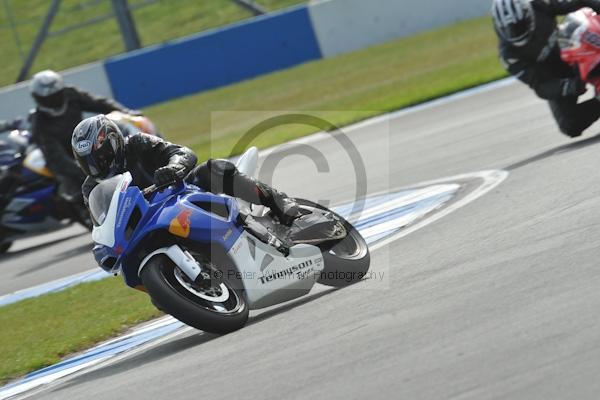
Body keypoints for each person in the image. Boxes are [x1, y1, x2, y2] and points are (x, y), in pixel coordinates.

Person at [71, 115, 300, 227]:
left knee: (214, 169)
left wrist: (172, 169)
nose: (97, 166)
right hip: (150, 223)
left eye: (99, 157)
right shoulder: (91, 188)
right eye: (88, 162)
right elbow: (101, 225)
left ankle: (280, 203)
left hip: (181, 193)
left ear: (113, 143)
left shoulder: (137, 143)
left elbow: (182, 152)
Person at [492, 0, 600, 137]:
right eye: (510, 29)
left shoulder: (538, 5)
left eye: (520, 25)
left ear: (528, 13)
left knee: (583, 22)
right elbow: (541, 86)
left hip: (573, 47)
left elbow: (577, 2)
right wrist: (570, 86)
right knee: (570, 125)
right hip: (556, 74)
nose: (516, 31)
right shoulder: (509, 57)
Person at [28, 69, 137, 202]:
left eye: (55, 96)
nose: (52, 100)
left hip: (85, 146)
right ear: (38, 98)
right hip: (64, 160)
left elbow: (100, 103)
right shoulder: (39, 122)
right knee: (73, 193)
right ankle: (86, 214)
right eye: (47, 98)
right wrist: (88, 171)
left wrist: (125, 112)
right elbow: (57, 158)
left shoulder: (71, 95)